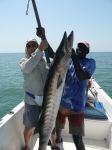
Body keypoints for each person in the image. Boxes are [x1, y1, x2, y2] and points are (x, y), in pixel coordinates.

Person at [50, 41, 96, 150]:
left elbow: (81, 76)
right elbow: (54, 56)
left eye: (83, 47)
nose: (79, 48)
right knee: (57, 131)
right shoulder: (69, 60)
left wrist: (74, 57)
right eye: (78, 46)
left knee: (77, 139)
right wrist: (43, 38)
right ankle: (58, 145)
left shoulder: (90, 62)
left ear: (88, 51)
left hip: (77, 107)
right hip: (61, 105)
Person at [19, 27, 55, 150]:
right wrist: (40, 49)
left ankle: (53, 144)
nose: (32, 47)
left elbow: (57, 60)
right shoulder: (23, 61)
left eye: (34, 44)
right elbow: (27, 68)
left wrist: (44, 38)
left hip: (47, 101)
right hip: (31, 101)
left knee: (50, 125)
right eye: (29, 45)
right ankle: (27, 146)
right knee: (29, 127)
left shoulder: (46, 61)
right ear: (26, 48)